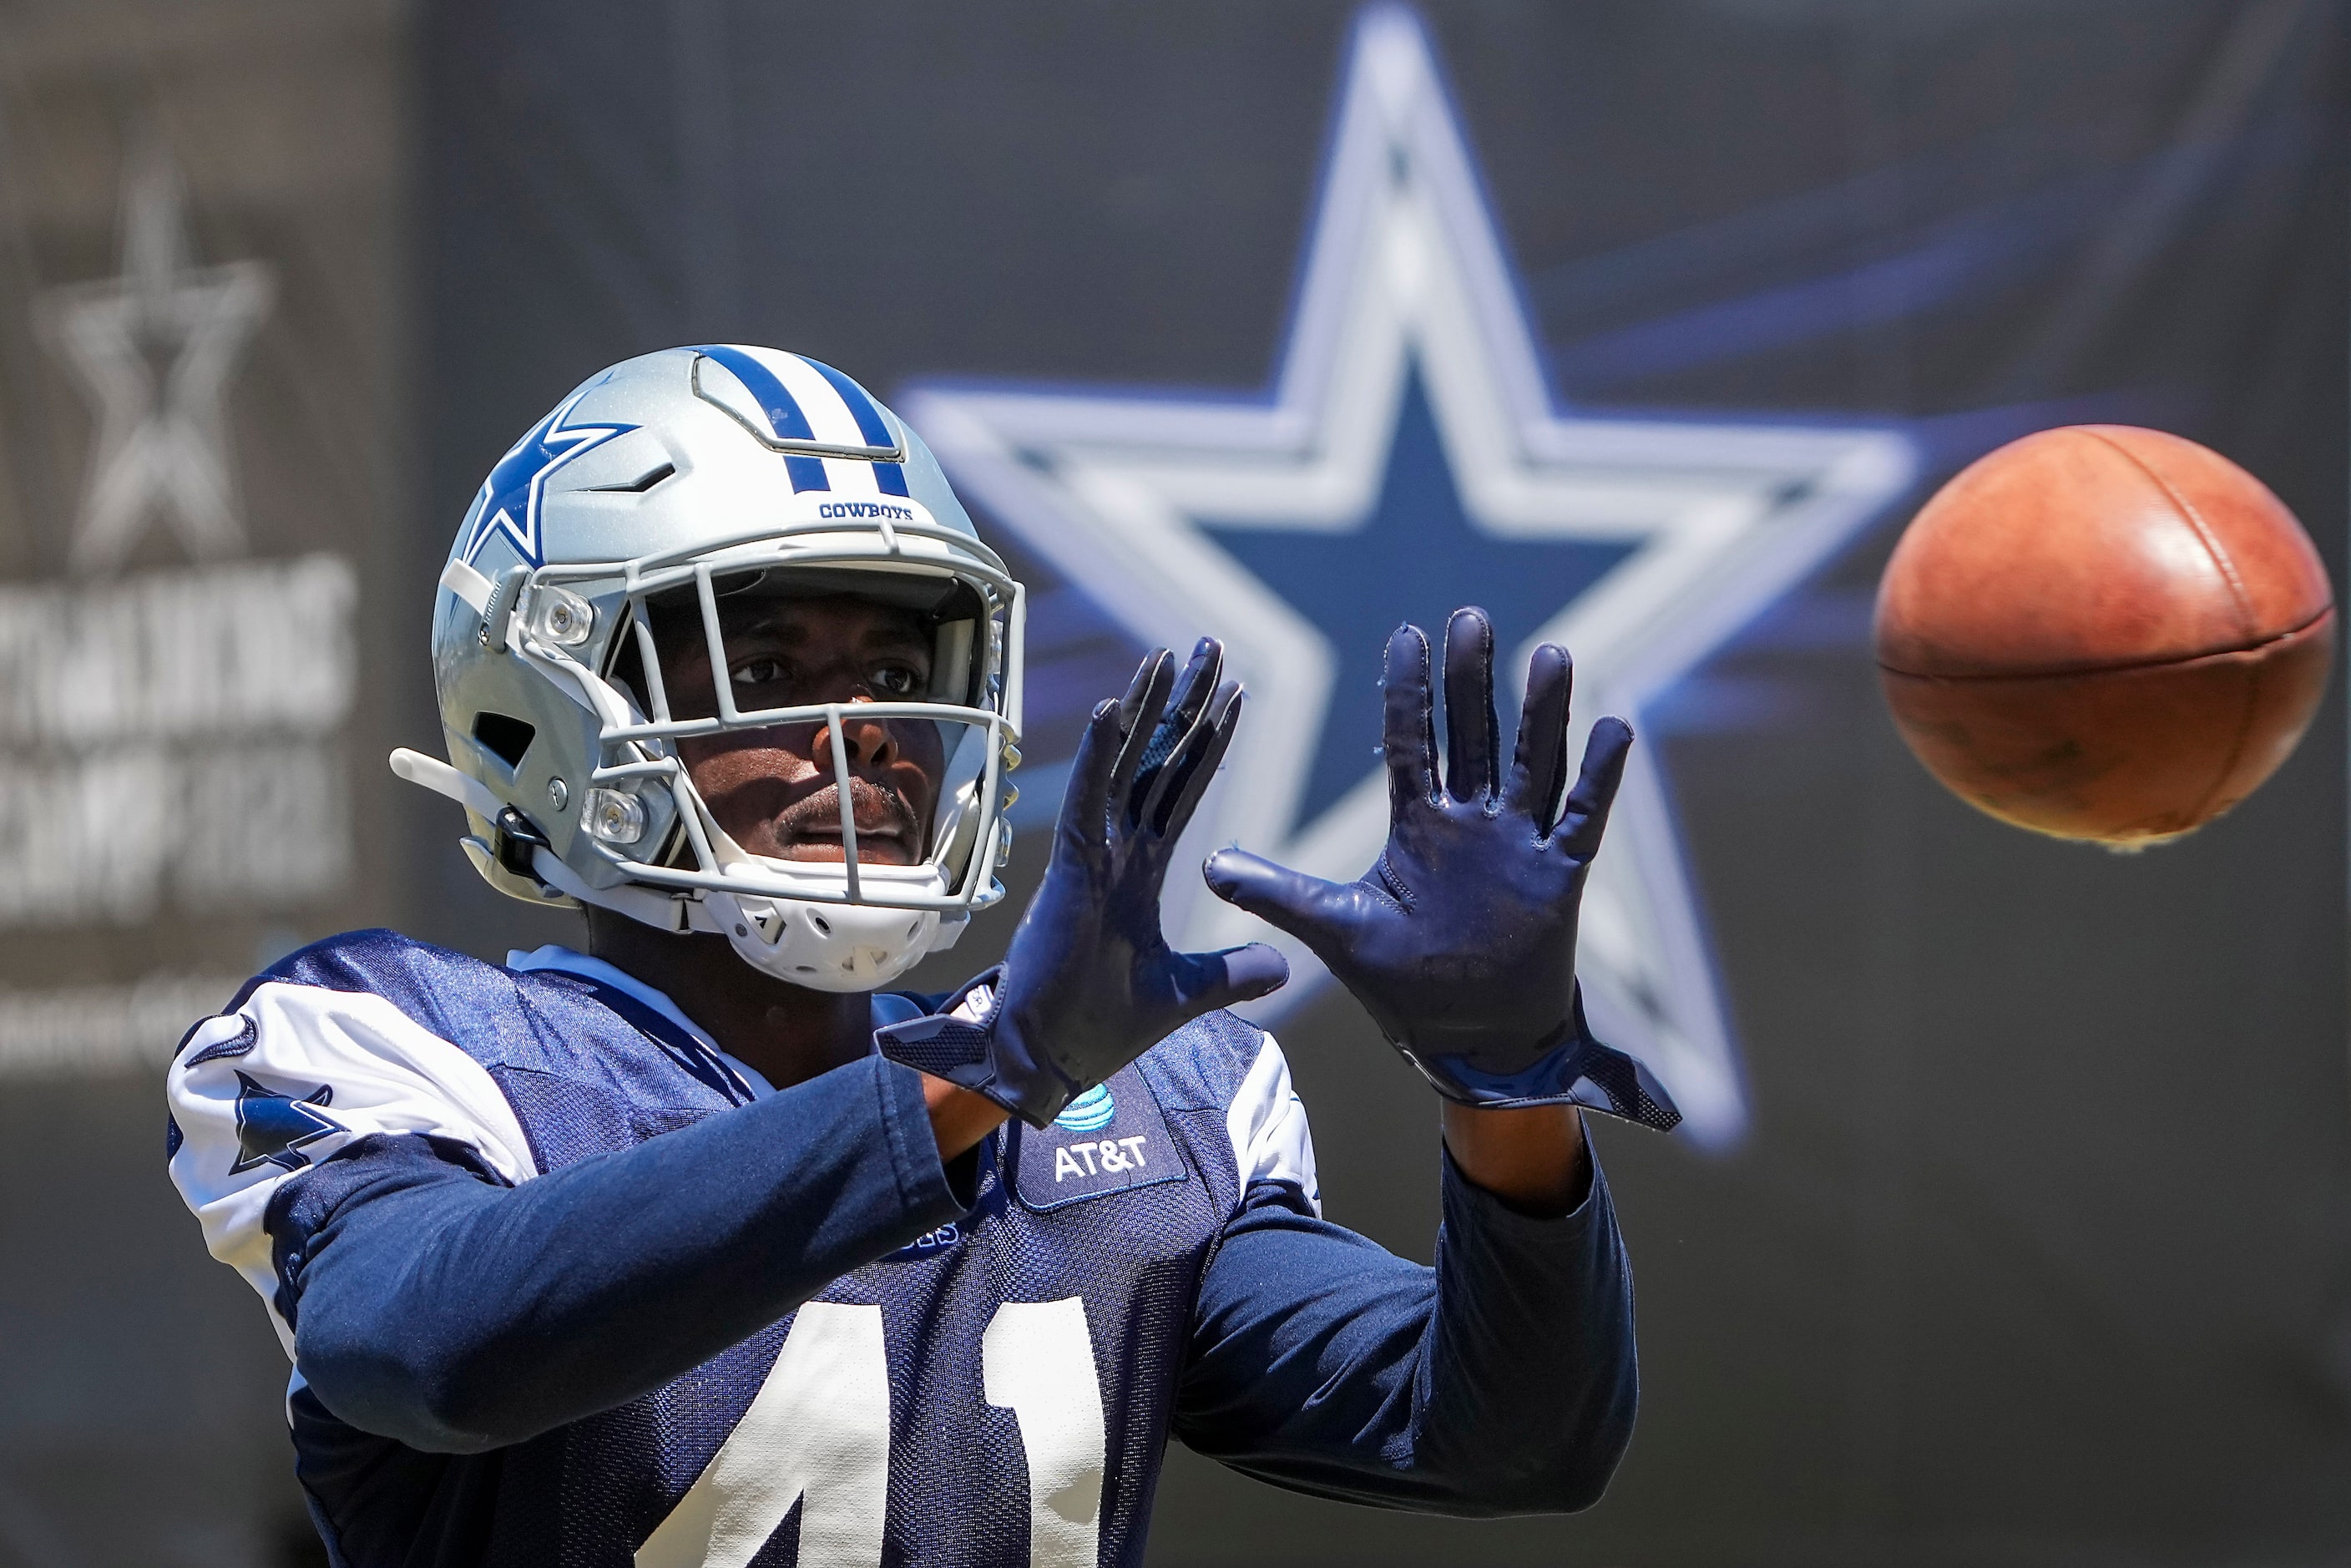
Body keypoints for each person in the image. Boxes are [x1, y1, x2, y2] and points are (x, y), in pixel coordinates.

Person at [164, 345, 1680, 1568]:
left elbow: (1509, 1439)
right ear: (538, 711)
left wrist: (1505, 1098)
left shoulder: (1144, 1115)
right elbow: (437, 1348)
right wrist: (966, 1091)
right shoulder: (399, 1046)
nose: (870, 727)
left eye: (899, 665)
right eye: (767, 665)